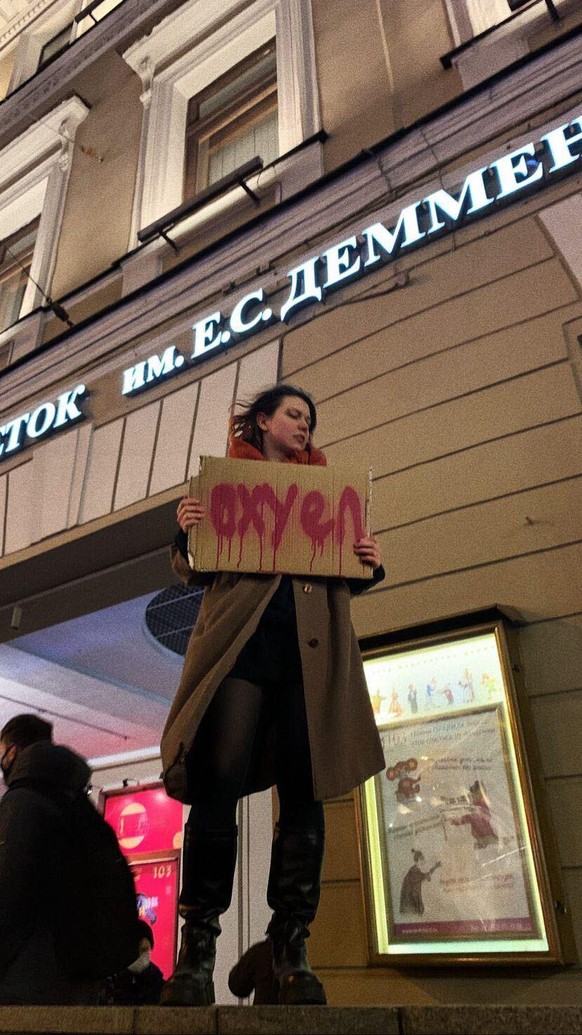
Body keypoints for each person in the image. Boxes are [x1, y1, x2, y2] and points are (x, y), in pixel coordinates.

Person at [160, 382, 386, 1007]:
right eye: (292, 414)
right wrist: (187, 533)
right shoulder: (227, 481)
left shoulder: (331, 493)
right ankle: (198, 948)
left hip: (310, 662)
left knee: (305, 795)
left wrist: (366, 558)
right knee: (216, 783)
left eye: (309, 418)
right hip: (241, 652)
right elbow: (196, 566)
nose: (304, 425)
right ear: (261, 422)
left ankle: (291, 945)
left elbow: (343, 571)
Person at [0, 714, 101, 1004]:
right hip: (75, 978)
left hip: (25, 982)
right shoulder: (79, 805)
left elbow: (9, 893)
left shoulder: (21, 804)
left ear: (14, 752)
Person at [101, 919, 164, 1005]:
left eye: (145, 950)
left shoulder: (160, 985)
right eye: (139, 950)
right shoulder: (110, 984)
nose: (143, 955)